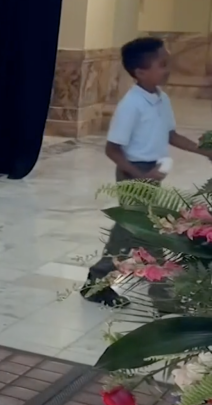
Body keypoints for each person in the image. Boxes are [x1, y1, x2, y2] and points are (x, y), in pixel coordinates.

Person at [82, 37, 212, 307]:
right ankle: (162, 295)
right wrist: (138, 175)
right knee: (150, 233)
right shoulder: (131, 105)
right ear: (140, 72)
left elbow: (171, 134)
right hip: (134, 175)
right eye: (162, 64)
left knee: (131, 230)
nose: (168, 69)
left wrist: (204, 151)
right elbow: (113, 149)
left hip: (151, 174)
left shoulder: (161, 99)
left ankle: (97, 281)